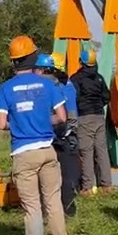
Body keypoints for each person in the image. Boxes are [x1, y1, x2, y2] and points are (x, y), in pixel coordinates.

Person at [0, 35, 69, 235]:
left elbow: (1, 123)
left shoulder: (5, 89)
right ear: (33, 57)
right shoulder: (48, 84)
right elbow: (62, 117)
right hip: (47, 149)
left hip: (23, 153)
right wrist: (45, 122)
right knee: (53, 202)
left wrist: (17, 123)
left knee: (32, 208)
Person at [36, 53, 80, 217]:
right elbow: (71, 114)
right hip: (63, 135)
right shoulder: (64, 86)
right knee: (66, 175)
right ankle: (68, 209)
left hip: (45, 137)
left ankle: (45, 211)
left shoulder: (39, 87)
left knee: (44, 177)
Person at [70, 46, 113, 194]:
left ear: (81, 62)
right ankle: (107, 184)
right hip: (99, 116)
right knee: (101, 150)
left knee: (86, 152)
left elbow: (72, 98)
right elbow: (107, 96)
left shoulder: (76, 79)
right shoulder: (99, 78)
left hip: (84, 117)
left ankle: (87, 187)